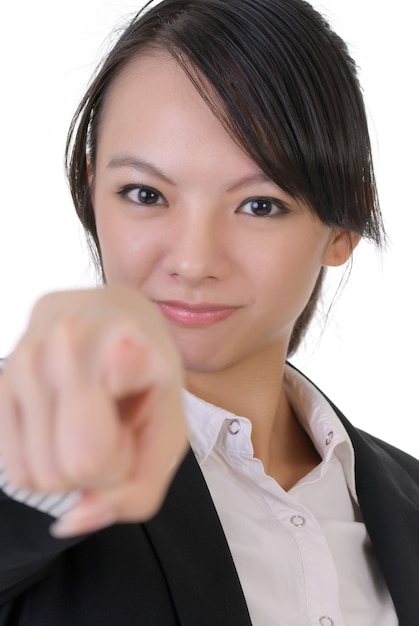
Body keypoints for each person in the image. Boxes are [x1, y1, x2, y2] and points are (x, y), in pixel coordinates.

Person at [0, 0, 417, 624]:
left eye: (260, 205)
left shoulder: (407, 505)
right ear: (92, 192)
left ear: (344, 223)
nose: (193, 262)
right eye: (146, 194)